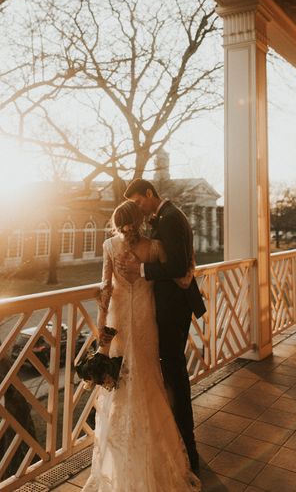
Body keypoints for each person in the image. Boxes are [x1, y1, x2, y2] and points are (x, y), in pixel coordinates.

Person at [82, 200, 200, 492]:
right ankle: (156, 448)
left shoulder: (110, 246)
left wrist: (101, 332)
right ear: (140, 220)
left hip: (118, 320)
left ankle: (121, 452)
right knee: (148, 379)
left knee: (120, 383)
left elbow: (105, 288)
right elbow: (181, 274)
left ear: (115, 221)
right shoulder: (154, 247)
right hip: (147, 320)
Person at [119, 178, 206, 475]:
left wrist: (140, 269)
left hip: (173, 307)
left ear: (150, 194)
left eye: (139, 202)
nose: (139, 209)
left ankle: (188, 448)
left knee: (175, 374)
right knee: (171, 371)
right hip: (175, 305)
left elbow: (178, 267)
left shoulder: (170, 219)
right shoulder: (169, 216)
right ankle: (180, 441)